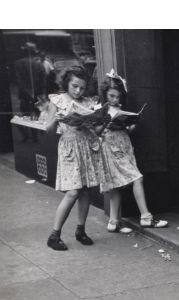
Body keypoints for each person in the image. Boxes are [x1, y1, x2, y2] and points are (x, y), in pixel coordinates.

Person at [45, 66, 106, 250]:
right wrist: (56, 118)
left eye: (82, 87)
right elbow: (48, 129)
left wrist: (103, 123)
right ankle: (54, 235)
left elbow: (95, 131)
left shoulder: (88, 102)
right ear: (66, 83)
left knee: (86, 191)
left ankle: (80, 230)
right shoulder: (57, 101)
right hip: (69, 149)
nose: (78, 91)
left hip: (86, 147)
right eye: (74, 86)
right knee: (72, 192)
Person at [99, 69, 168, 232]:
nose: (115, 100)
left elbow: (127, 130)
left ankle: (113, 221)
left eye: (118, 96)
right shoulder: (101, 110)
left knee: (117, 184)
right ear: (105, 95)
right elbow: (97, 132)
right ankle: (146, 217)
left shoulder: (120, 109)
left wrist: (132, 124)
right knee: (136, 178)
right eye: (112, 96)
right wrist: (105, 124)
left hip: (124, 146)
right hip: (111, 148)